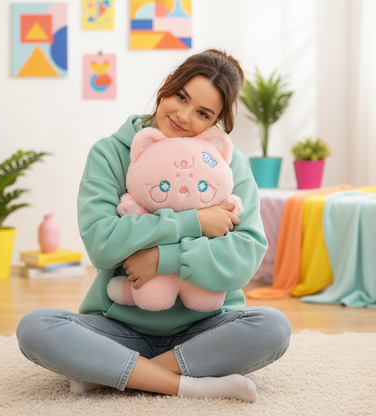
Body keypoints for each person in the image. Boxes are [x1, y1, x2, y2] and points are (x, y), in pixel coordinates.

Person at [17, 49, 292, 402]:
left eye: (203, 113)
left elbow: (245, 255)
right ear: (167, 86)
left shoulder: (227, 163)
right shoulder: (110, 153)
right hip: (119, 327)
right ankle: (186, 383)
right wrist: (192, 221)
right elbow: (102, 244)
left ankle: (115, 372)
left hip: (205, 328)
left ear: (216, 123)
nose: (183, 116)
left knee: (273, 327)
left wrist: (164, 260)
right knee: (36, 329)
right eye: (181, 97)